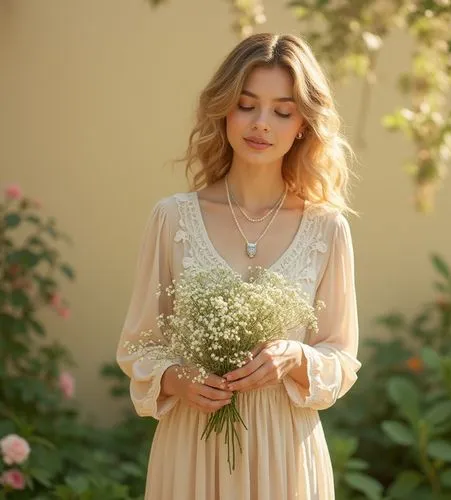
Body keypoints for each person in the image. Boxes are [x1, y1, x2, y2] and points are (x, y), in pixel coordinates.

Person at [116, 32, 362, 500]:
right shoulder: (173, 218)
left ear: (303, 125)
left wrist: (295, 356)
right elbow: (139, 346)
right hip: (192, 447)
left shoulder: (327, 229)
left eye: (282, 111)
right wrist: (177, 378)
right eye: (246, 104)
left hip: (285, 453)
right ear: (224, 109)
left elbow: (341, 358)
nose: (261, 124)